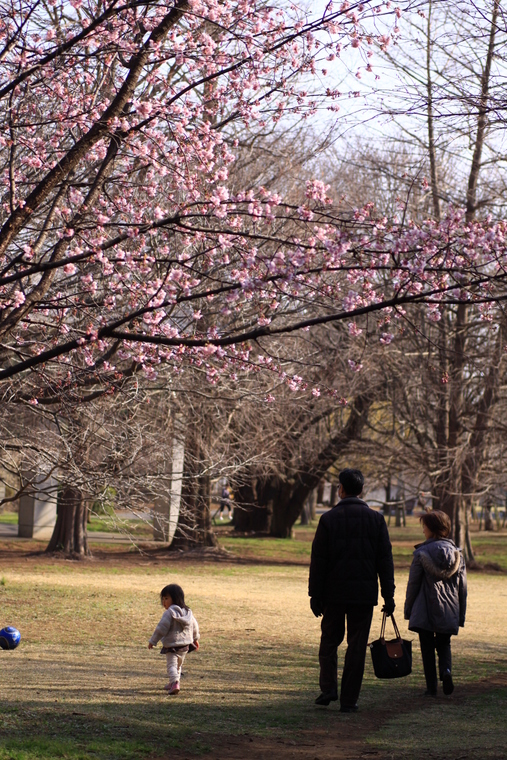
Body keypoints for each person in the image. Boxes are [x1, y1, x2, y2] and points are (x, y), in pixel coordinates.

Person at [309, 468, 395, 712]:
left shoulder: (328, 520)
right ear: (362, 490)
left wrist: (315, 594)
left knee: (329, 641)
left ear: (341, 490)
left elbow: (319, 562)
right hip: (363, 595)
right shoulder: (376, 520)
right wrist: (388, 595)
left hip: (333, 594)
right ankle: (349, 700)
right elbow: (384, 561)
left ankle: (328, 688)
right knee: (356, 647)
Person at [404, 510, 467, 697]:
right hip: (448, 607)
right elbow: (462, 587)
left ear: (432, 529)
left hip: (424, 607)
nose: (423, 529)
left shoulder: (421, 553)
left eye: (425, 526)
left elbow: (413, 584)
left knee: (426, 647)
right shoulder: (457, 555)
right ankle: (446, 671)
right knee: (444, 643)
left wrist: (408, 609)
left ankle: (431, 687)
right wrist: (460, 614)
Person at [148, 583, 200, 695]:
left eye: (166, 598)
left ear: (175, 598)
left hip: (172, 645)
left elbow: (161, 628)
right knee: (178, 665)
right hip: (185, 645)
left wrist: (153, 641)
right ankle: (174, 682)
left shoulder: (169, 613)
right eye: (162, 599)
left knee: (171, 666)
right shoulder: (188, 612)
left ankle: (175, 682)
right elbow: (194, 626)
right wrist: (195, 638)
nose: (164, 602)